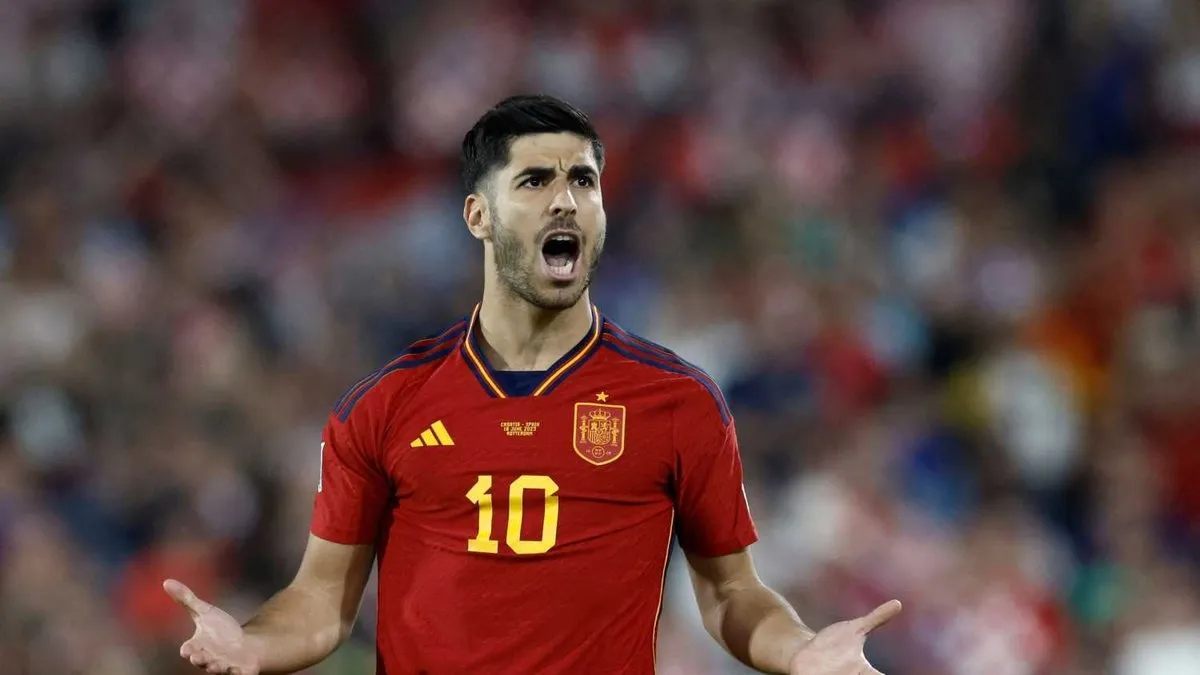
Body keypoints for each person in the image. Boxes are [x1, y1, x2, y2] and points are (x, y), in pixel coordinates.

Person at [163, 94, 902, 675]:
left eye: (584, 181)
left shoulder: (679, 400)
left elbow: (730, 591)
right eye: (535, 180)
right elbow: (323, 599)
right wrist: (255, 642)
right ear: (478, 215)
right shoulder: (384, 405)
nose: (565, 200)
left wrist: (798, 650)